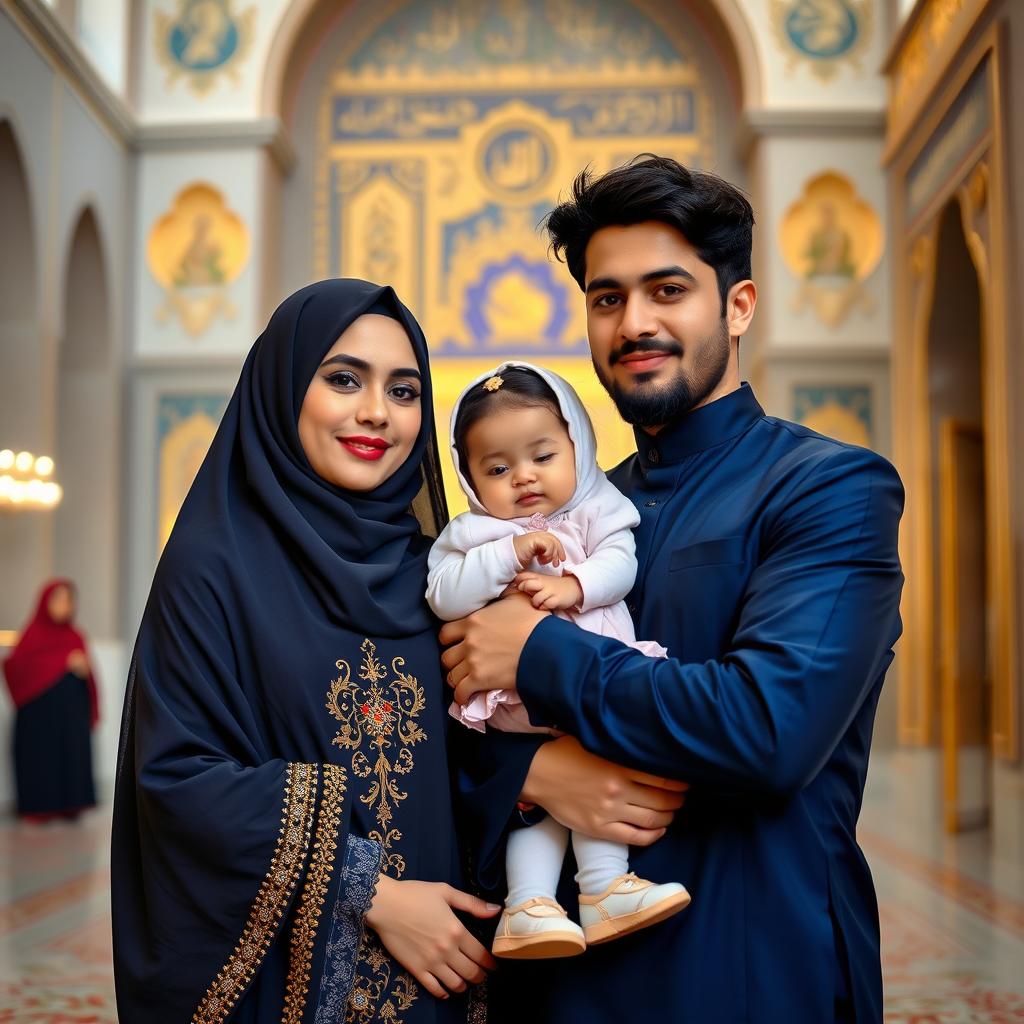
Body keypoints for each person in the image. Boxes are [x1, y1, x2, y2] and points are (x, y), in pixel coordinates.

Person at [440, 156, 905, 1023]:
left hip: (752, 964)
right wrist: (535, 766)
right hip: (566, 985)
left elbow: (770, 729)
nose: (634, 322)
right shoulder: (564, 517)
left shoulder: (828, 489)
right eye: (607, 297)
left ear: (737, 306)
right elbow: (459, 724)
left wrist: (542, 651)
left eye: (667, 290)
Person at [112, 280, 507, 1024]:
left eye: (404, 389)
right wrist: (373, 893)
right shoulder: (214, 566)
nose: (375, 413)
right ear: (283, 385)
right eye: (344, 378)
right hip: (294, 987)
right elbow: (176, 779)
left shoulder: (438, 574)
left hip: (444, 978)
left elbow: (471, 742)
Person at [426, 362, 687, 960]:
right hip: (513, 702)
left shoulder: (599, 509)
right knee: (535, 793)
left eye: (542, 456)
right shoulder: (473, 533)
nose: (523, 478)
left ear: (578, 444)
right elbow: (444, 593)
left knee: (591, 770)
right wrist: (505, 554)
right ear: (469, 478)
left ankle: (601, 889)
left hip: (592, 686)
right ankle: (529, 901)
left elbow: (622, 563)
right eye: (497, 468)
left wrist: (576, 585)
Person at [3, 579, 98, 823]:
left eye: (69, 599)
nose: (65, 605)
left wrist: (83, 668)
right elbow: (15, 669)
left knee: (71, 756)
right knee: (40, 760)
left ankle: (71, 805)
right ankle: (40, 809)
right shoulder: (32, 637)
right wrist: (60, 664)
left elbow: (90, 678)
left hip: (70, 719)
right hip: (40, 719)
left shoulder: (76, 637)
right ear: (45, 602)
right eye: (59, 598)